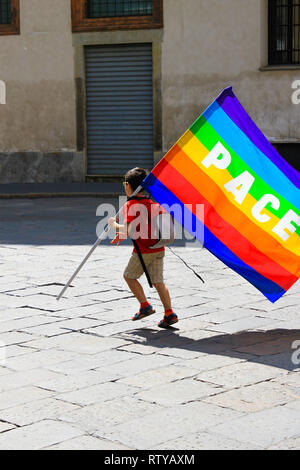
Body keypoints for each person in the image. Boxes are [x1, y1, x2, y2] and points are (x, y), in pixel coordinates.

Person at [108, 167, 178, 328]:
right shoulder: (154, 204)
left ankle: (145, 306)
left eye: (125, 183)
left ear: (130, 186)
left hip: (143, 251)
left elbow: (127, 228)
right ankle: (169, 313)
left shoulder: (131, 204)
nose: (124, 186)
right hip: (158, 248)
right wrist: (124, 233)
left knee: (129, 276)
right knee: (159, 282)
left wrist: (114, 225)